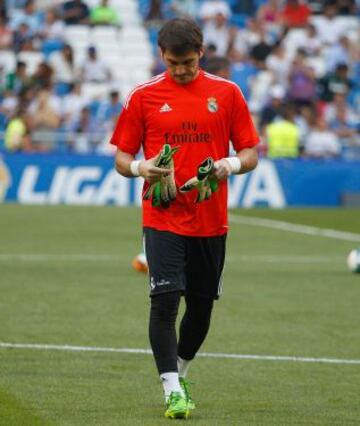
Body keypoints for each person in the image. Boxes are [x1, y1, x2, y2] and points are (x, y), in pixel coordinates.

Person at [110, 18, 258, 420]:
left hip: (211, 219)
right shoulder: (143, 96)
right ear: (162, 55)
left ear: (202, 53)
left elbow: (250, 152)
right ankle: (172, 389)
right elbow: (121, 157)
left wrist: (228, 163)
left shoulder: (227, 93)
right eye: (174, 63)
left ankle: (182, 372)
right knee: (163, 303)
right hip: (162, 215)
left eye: (188, 63)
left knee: (202, 308)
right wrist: (142, 169)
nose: (181, 70)